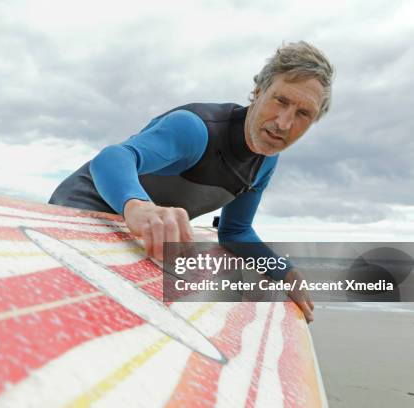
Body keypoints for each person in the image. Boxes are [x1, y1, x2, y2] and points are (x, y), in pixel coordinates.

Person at [49, 41, 334, 323]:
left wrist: (284, 271)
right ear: (258, 92)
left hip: (138, 240)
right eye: (280, 101)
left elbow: (236, 231)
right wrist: (139, 207)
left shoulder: (265, 162)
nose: (284, 123)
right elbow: (113, 157)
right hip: (80, 213)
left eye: (303, 113)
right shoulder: (196, 129)